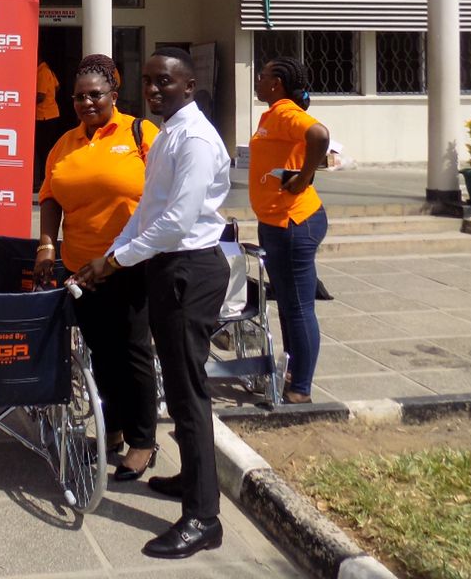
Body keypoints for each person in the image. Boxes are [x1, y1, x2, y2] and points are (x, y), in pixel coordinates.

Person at [76, 47, 231, 560]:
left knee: (188, 394)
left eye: (165, 81)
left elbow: (177, 223)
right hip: (168, 268)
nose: (154, 89)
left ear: (189, 86)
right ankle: (193, 481)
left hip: (191, 269)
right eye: (148, 81)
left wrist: (116, 262)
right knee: (181, 387)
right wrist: (109, 254)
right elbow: (147, 210)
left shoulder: (196, 139)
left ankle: (202, 519)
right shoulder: (167, 134)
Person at [36, 55, 159, 483]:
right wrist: (48, 244)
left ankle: (143, 441)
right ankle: (114, 430)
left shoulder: (140, 133)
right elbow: (49, 195)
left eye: (95, 95)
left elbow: (163, 194)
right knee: (101, 353)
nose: (87, 102)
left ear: (113, 94)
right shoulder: (64, 142)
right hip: (81, 268)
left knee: (134, 352)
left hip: (130, 263)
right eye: (79, 97)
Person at [250, 57, 330, 405]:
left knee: (297, 307)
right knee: (286, 304)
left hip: (294, 222)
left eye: (262, 76)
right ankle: (292, 373)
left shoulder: (285, 111)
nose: (257, 80)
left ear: (277, 83)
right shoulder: (272, 113)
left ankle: (301, 388)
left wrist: (305, 176)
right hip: (274, 222)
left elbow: (319, 134)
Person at [33, 51, 60, 189]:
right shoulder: (48, 70)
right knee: (45, 149)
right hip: (50, 114)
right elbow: (57, 86)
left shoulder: (42, 72)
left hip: (44, 116)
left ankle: (43, 181)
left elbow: (40, 96)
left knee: (42, 150)